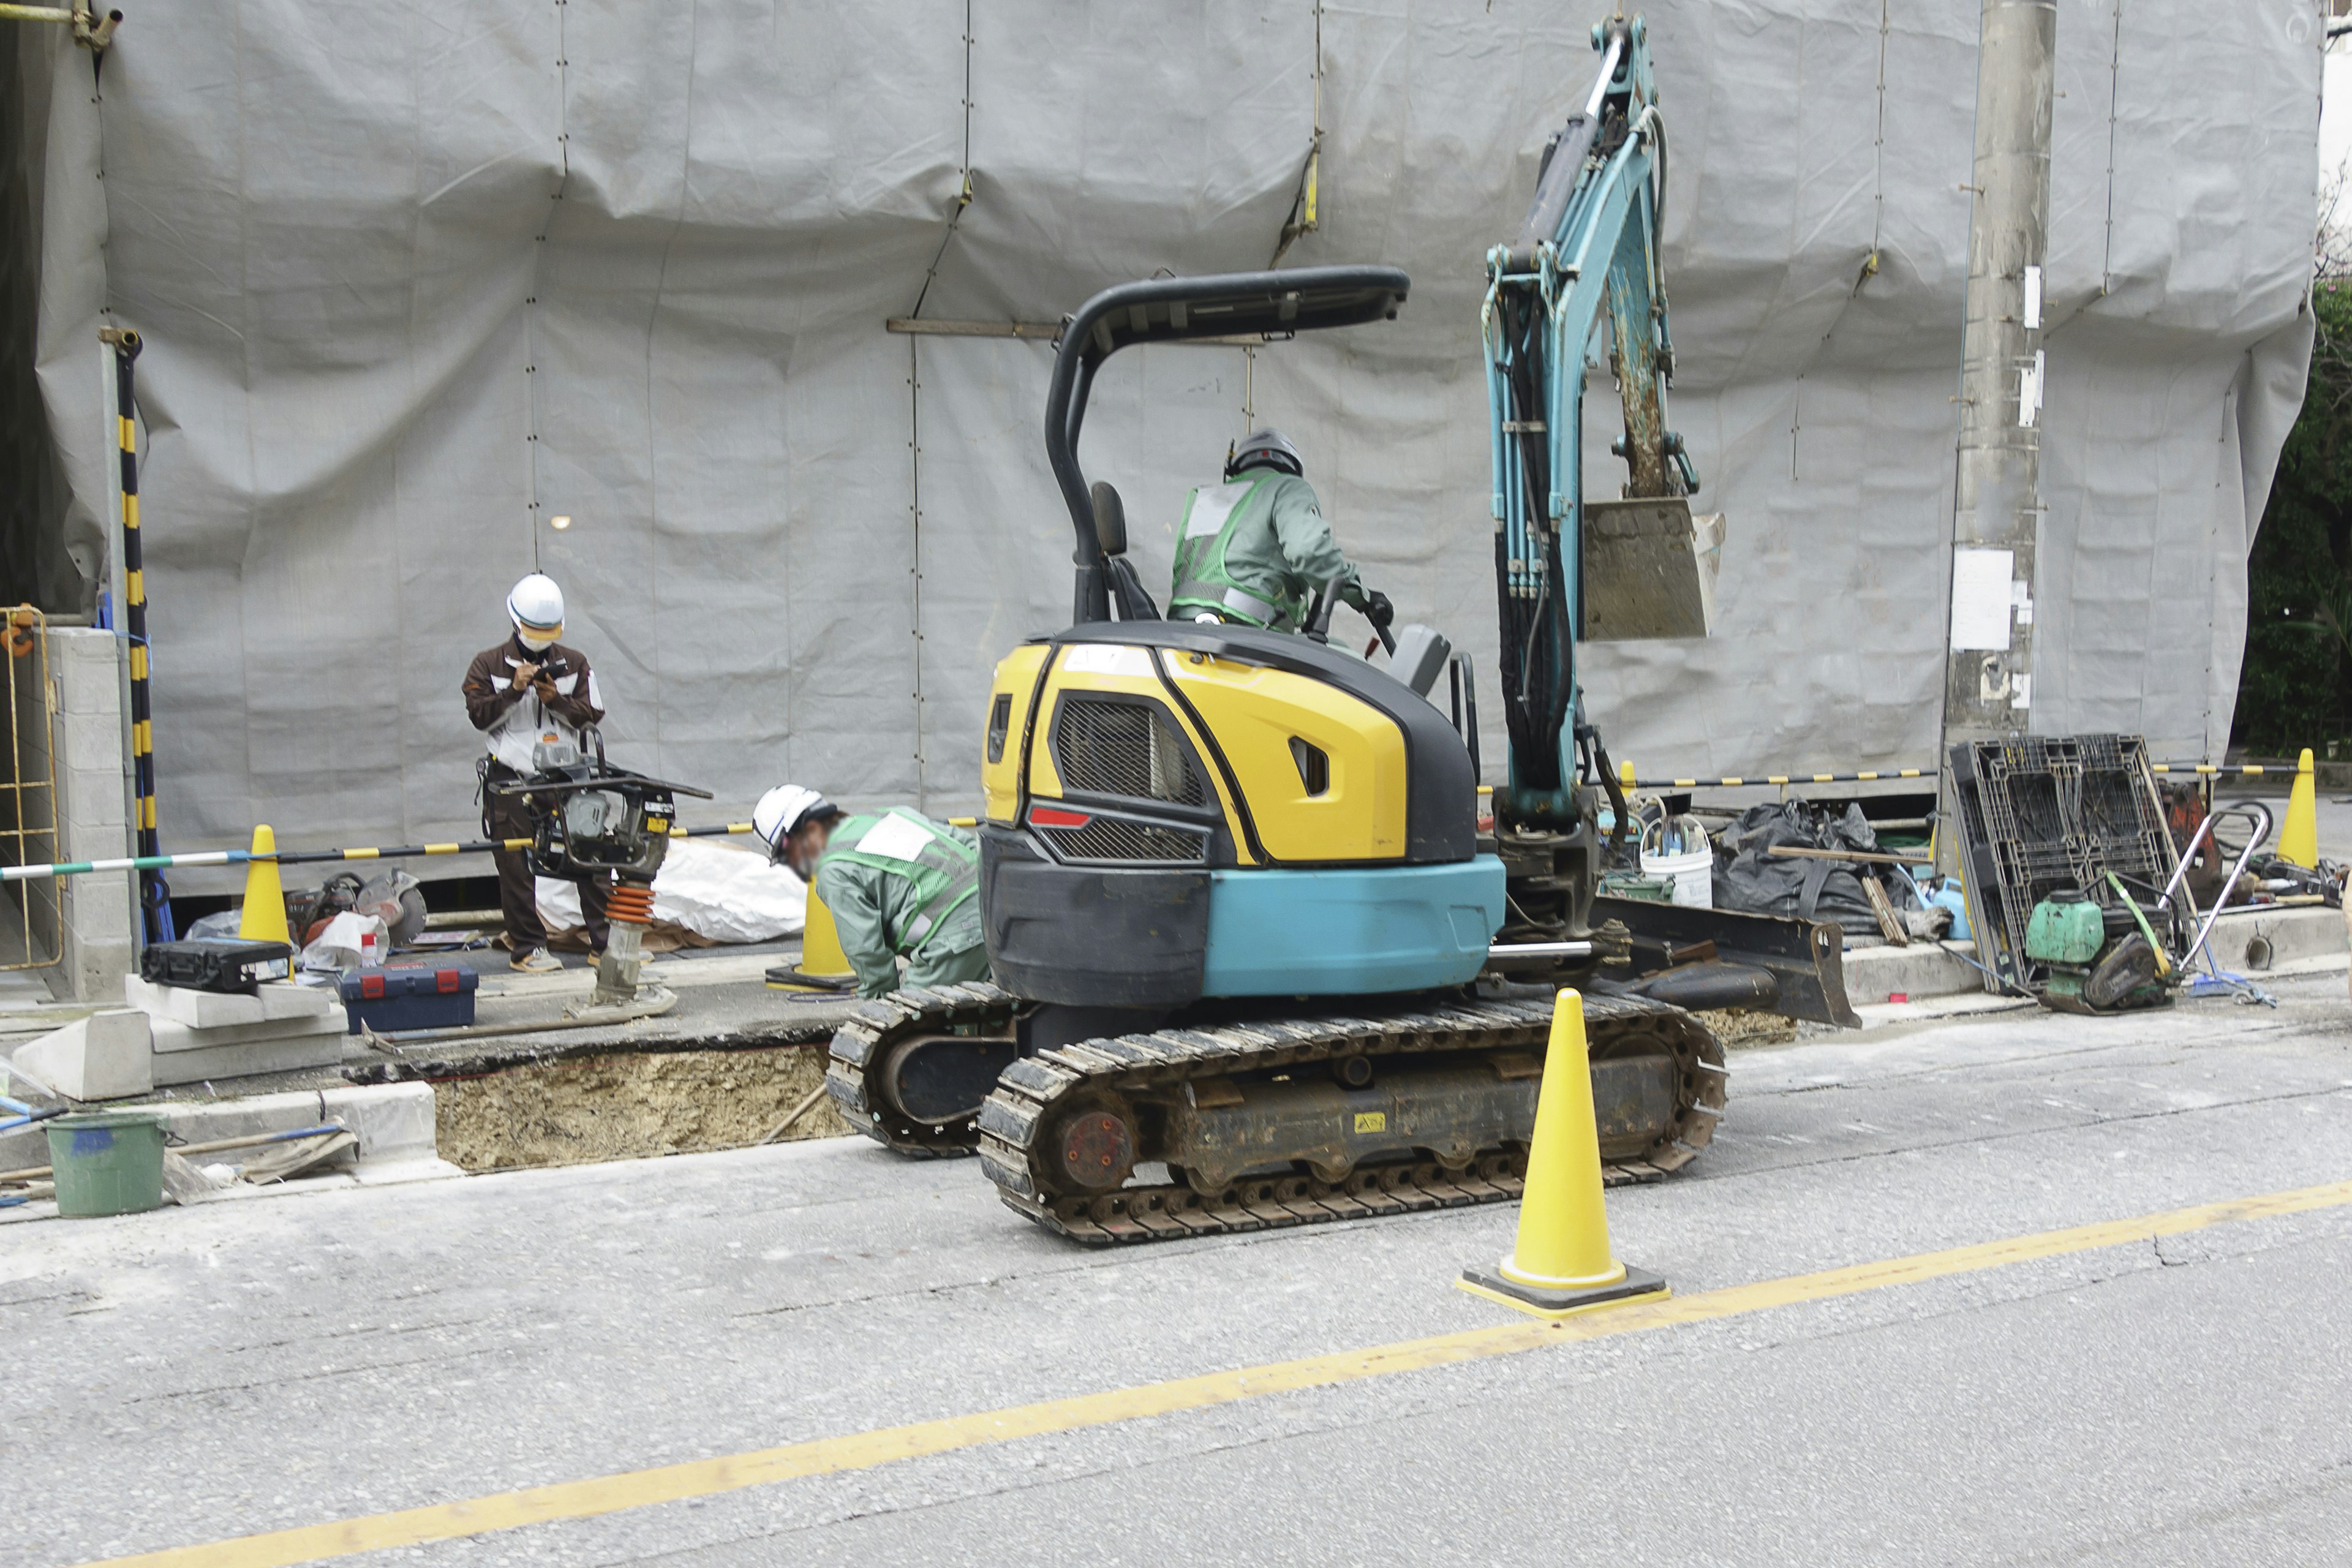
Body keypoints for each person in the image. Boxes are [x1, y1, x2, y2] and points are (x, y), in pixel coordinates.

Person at [461, 573, 611, 973]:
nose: (542, 637)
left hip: (566, 774)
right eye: (535, 629)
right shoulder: (488, 663)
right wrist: (512, 690)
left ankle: (605, 944)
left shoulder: (575, 662)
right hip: (511, 777)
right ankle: (528, 948)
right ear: (515, 621)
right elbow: (478, 716)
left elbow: (592, 714)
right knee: (515, 864)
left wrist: (556, 700)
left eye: (550, 630)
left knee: (591, 855)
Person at [755, 785, 990, 1000]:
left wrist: (880, 1001)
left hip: (956, 939)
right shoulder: (892, 815)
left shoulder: (832, 869)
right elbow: (969, 846)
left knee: (911, 1028)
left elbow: (866, 948)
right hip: (997, 910)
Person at [1169, 428, 1393, 634]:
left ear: (1235, 466)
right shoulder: (1288, 486)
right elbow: (1310, 551)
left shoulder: (1202, 497)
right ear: (1292, 467)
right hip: (1245, 630)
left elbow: (1182, 568)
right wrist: (1362, 596)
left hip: (1181, 628)